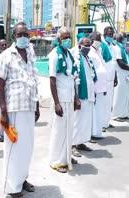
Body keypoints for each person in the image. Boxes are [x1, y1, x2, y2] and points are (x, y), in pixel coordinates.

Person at [0, 22, 39, 198]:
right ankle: (12, 188)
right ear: (14, 36)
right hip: (14, 107)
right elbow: (0, 85)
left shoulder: (30, 53)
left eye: (26, 34)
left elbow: (34, 80)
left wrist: (36, 107)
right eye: (20, 34)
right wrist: (4, 112)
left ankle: (22, 179)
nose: (23, 37)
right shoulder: (6, 56)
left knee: (27, 147)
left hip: (29, 106)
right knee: (14, 148)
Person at [48, 27, 81, 173]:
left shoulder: (69, 54)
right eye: (65, 37)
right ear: (59, 39)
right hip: (60, 99)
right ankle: (56, 161)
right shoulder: (55, 54)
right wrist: (56, 103)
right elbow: (52, 80)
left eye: (69, 36)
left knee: (69, 130)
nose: (67, 39)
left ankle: (66, 157)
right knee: (59, 130)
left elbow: (72, 78)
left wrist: (76, 98)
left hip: (69, 97)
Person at [71, 37, 97, 157]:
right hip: (80, 94)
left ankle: (80, 142)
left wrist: (94, 92)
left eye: (89, 45)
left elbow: (92, 77)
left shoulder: (88, 58)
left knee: (86, 121)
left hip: (89, 94)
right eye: (85, 45)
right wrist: (75, 97)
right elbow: (73, 78)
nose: (87, 47)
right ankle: (72, 145)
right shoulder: (75, 57)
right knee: (77, 121)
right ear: (79, 45)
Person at [88, 32, 108, 140]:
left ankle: (97, 131)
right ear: (91, 39)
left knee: (100, 110)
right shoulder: (90, 52)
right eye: (97, 38)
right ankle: (93, 133)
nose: (99, 41)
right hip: (95, 88)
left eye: (100, 39)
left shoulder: (99, 51)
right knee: (94, 111)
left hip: (101, 86)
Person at [112, 33, 129, 120]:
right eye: (125, 37)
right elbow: (120, 63)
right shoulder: (117, 48)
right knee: (118, 95)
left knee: (124, 95)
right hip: (120, 74)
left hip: (124, 75)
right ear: (121, 39)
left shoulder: (122, 48)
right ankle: (116, 114)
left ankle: (123, 113)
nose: (126, 39)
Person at [102, 27, 118, 129]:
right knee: (103, 102)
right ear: (104, 35)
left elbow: (114, 64)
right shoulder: (102, 46)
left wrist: (115, 77)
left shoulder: (113, 47)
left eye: (112, 34)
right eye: (109, 34)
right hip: (104, 78)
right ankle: (102, 123)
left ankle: (107, 122)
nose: (111, 36)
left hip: (111, 77)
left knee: (109, 102)